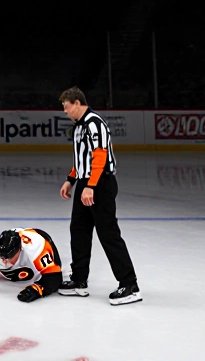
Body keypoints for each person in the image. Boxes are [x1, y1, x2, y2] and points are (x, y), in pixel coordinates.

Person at [57, 86, 142, 305]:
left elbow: (100, 156)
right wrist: (71, 179)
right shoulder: (78, 127)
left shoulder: (95, 123)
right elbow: (81, 160)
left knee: (108, 233)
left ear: (77, 103)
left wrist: (91, 186)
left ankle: (129, 284)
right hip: (86, 182)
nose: (65, 112)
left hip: (99, 184)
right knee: (79, 230)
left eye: (66, 108)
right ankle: (79, 281)